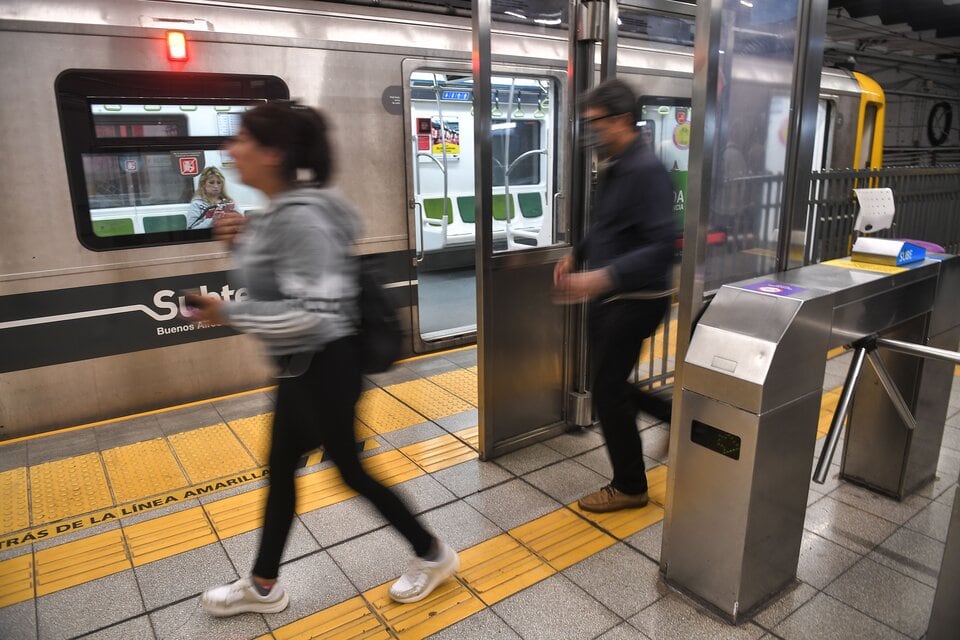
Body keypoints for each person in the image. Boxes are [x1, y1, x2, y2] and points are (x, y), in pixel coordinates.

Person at [185, 101, 459, 617]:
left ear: (274, 153)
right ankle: (265, 584)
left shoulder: (301, 220)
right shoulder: (282, 213)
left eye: (241, 138)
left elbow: (315, 315)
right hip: (304, 366)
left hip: (324, 364)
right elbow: (279, 282)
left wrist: (228, 313)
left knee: (347, 471)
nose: (231, 149)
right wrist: (239, 245)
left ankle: (434, 553)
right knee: (289, 469)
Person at [553, 79, 675, 513]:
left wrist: (604, 276)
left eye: (597, 124)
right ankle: (677, 419)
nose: (592, 135)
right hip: (614, 298)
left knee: (606, 392)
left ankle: (630, 486)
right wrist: (578, 254)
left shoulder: (646, 170)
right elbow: (608, 225)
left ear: (623, 120)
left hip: (636, 300)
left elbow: (664, 244)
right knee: (613, 385)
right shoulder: (617, 165)